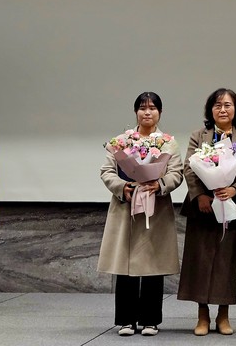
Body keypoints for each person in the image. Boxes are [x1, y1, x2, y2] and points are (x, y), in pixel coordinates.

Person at [97, 92, 183, 337]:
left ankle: (150, 320)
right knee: (125, 267)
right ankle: (125, 320)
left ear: (160, 113)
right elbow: (106, 171)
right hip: (126, 209)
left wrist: (160, 184)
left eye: (153, 108)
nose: (148, 112)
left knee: (154, 266)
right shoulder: (121, 141)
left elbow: (176, 172)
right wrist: (122, 187)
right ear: (135, 112)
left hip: (155, 210)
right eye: (143, 108)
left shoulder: (168, 142)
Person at [177, 88, 236, 336]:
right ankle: (202, 315)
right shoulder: (198, 136)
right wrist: (200, 194)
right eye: (218, 105)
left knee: (226, 261)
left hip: (231, 208)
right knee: (199, 261)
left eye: (228, 105)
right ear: (210, 110)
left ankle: (223, 315)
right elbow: (189, 167)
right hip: (201, 208)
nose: (223, 109)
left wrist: (234, 189)